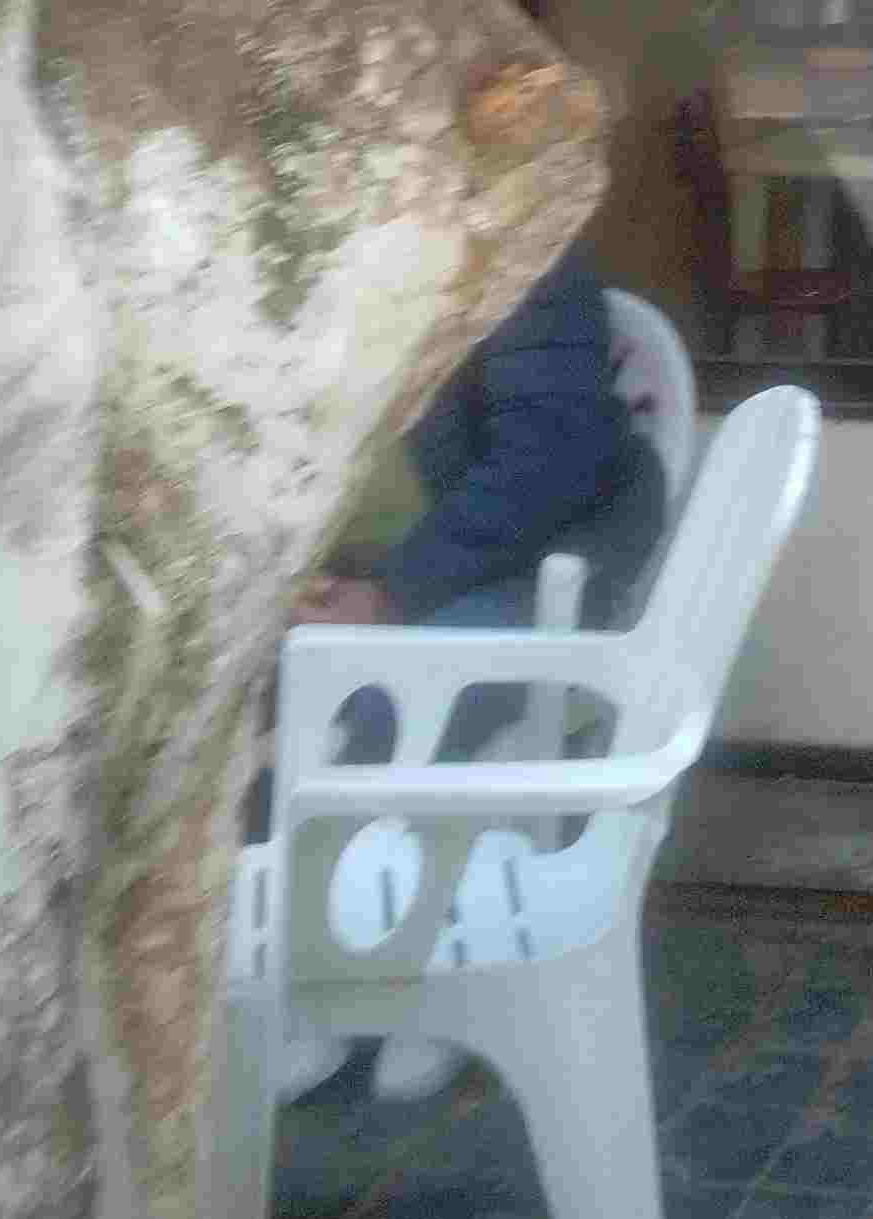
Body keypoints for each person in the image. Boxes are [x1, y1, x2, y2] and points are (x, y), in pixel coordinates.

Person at [275, 239, 666, 1104]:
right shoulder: (291, 243)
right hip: (355, 565)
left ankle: (405, 978)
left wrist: (391, 594)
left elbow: (549, 458)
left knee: (394, 695)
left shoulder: (516, 249)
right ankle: (294, 964)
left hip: (527, 561)